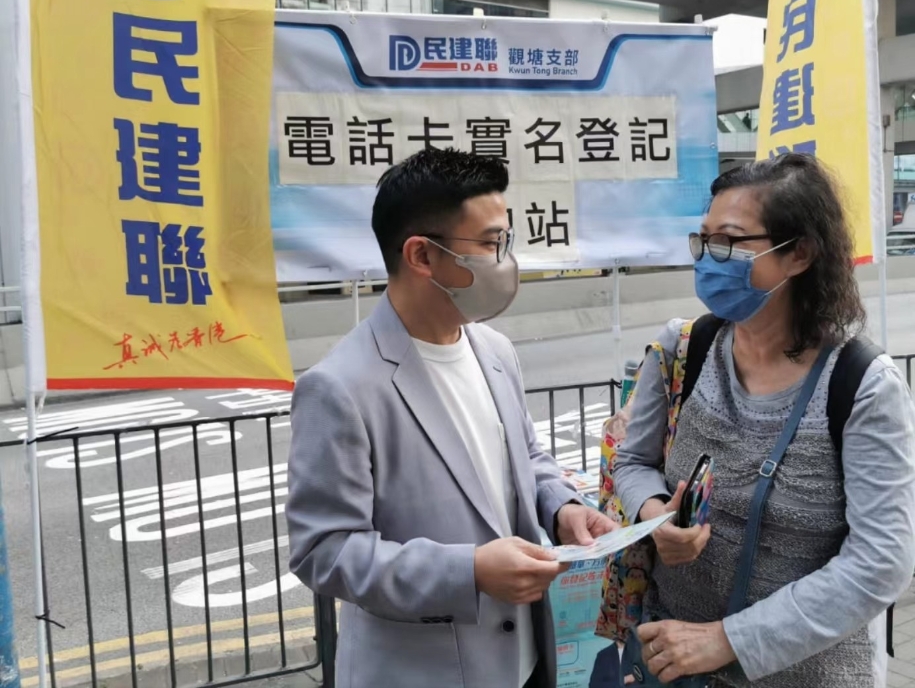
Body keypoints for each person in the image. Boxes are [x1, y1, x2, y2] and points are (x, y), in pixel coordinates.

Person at [286, 147, 615, 688]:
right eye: (490, 243)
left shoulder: (494, 350)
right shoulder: (340, 387)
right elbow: (324, 551)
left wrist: (562, 509)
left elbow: (525, 458)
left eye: (505, 240)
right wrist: (469, 571)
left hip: (526, 662)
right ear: (422, 255)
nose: (505, 259)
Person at [614, 154, 915, 687]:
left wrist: (727, 640)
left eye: (729, 242)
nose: (708, 259)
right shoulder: (684, 348)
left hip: (809, 675)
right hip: (670, 662)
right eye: (703, 240)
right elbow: (633, 461)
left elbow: (880, 563)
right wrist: (655, 514)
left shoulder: (861, 385)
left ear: (799, 253)